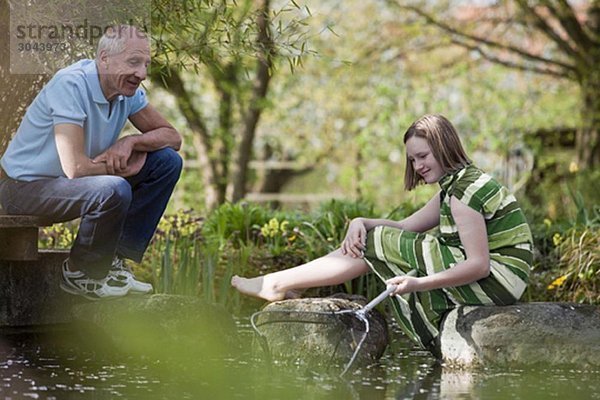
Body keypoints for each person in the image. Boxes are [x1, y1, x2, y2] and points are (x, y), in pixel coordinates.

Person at [232, 114, 533, 354]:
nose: (418, 166)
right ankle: (285, 283)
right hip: (499, 279)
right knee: (375, 237)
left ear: (444, 147)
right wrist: (359, 221)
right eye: (413, 160)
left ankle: (277, 282)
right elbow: (404, 227)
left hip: (498, 281)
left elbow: (478, 265)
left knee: (377, 241)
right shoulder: (456, 186)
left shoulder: (463, 194)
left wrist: (417, 284)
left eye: (423, 156)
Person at [0, 25, 183, 300]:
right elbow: (75, 169)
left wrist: (130, 142)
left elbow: (172, 137)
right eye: (133, 62)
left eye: (146, 64)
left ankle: (114, 265)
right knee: (114, 188)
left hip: (68, 186)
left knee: (167, 161)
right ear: (104, 59)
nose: (142, 74)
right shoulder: (71, 84)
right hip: (21, 189)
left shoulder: (126, 93)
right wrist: (121, 168)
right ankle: (80, 274)